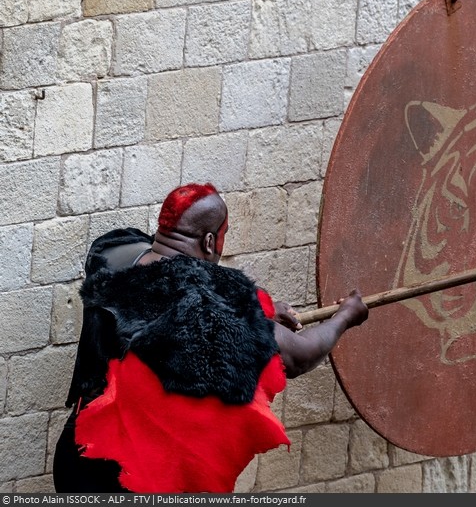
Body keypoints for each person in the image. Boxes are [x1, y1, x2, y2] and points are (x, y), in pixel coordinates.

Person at [53, 182, 368, 493]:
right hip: (132, 475)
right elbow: (298, 355)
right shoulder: (213, 303)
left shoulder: (111, 250)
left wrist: (259, 316)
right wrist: (345, 317)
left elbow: (158, 301)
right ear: (208, 241)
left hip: (77, 455)